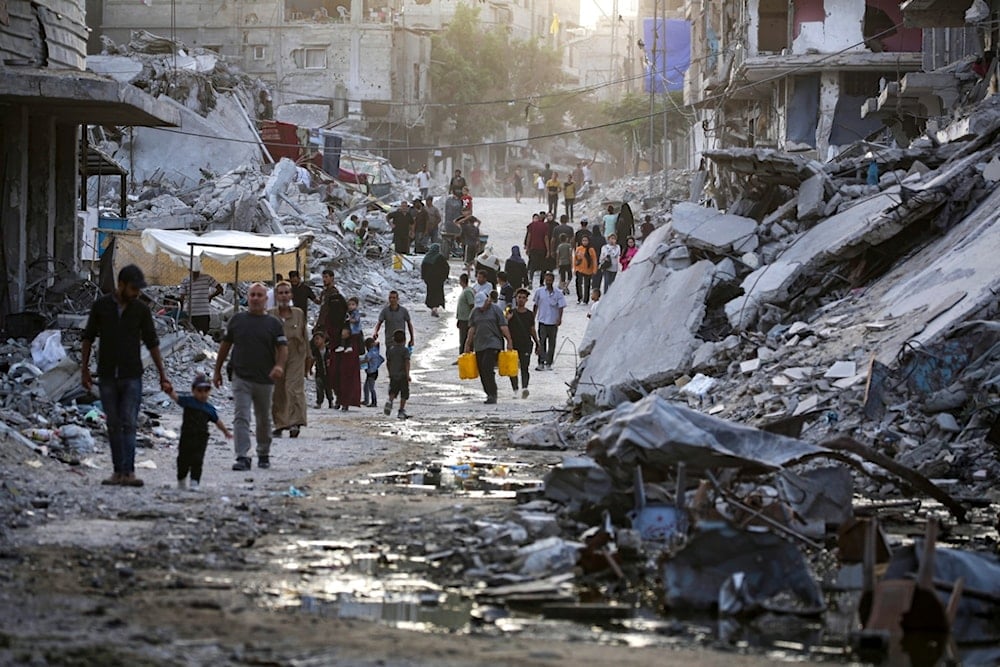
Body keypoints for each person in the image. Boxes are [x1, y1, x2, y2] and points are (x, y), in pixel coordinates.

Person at [81, 264, 173, 487]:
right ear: (120, 285)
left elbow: (152, 342)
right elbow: (88, 337)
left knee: (129, 423)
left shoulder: (140, 310)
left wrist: (163, 375)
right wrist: (84, 369)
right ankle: (117, 472)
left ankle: (129, 472)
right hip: (106, 375)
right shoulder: (101, 307)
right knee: (113, 423)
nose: (137, 293)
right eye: (133, 288)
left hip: (132, 375)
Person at [213, 282, 288, 472]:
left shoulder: (274, 323)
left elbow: (283, 348)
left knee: (263, 418)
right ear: (248, 297)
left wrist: (279, 366)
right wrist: (217, 370)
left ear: (265, 299)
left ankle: (263, 452)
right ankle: (242, 456)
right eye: (252, 295)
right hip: (241, 377)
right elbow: (225, 346)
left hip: (265, 378)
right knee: (241, 416)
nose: (255, 298)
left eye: (259, 295)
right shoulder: (237, 320)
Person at [169, 373, 231, 490]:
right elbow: (176, 398)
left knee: (198, 459)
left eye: (206, 391)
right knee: (183, 459)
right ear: (193, 391)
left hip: (201, 438)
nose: (203, 394)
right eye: (199, 391)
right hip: (187, 436)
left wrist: (226, 432)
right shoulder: (188, 402)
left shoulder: (209, 408)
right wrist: (169, 390)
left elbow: (217, 421)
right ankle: (181, 479)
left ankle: (195, 481)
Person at [269, 281, 308, 437]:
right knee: (278, 390)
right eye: (281, 293)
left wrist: (309, 358)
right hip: (276, 354)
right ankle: (280, 423)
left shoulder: (298, 313)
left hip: (296, 353)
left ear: (291, 295)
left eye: (287, 292)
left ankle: (295, 423)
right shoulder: (271, 315)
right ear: (276, 296)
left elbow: (304, 336)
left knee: (293, 387)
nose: (284, 296)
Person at [465, 291, 514, 405]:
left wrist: (509, 341)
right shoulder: (475, 312)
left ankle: (493, 394)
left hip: (494, 343)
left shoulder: (495, 310)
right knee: (482, 369)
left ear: (488, 300)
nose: (481, 308)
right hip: (479, 345)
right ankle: (488, 393)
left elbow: (503, 326)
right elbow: (472, 329)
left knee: (487, 366)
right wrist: (467, 344)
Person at [506, 288, 539, 399]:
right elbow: (503, 327)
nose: (521, 300)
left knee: (525, 367)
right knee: (513, 368)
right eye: (519, 297)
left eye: (523, 298)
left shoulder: (529, 314)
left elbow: (532, 329)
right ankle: (515, 390)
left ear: (526, 300)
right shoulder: (510, 312)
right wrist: (508, 319)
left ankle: (524, 388)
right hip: (513, 345)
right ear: (516, 298)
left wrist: (537, 343)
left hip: (526, 344)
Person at [532, 271, 566, 371]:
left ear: (553, 281)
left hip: (553, 322)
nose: (548, 282)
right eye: (547, 280)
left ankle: (549, 362)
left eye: (550, 280)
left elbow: (561, 307)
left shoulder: (558, 293)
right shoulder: (539, 291)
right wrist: (533, 318)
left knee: (552, 343)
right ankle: (541, 362)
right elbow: (536, 305)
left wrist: (559, 318)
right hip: (542, 321)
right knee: (541, 342)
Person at [179, 264, 223, 335]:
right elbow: (220, 289)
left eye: (196, 271)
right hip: (195, 313)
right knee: (199, 336)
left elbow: (181, 298)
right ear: (190, 270)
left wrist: (210, 296)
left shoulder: (186, 280)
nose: (195, 273)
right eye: (194, 271)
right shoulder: (206, 278)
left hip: (197, 313)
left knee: (195, 335)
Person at [383, 329, 412, 419]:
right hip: (403, 375)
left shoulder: (390, 350)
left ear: (394, 340)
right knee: (404, 393)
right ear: (404, 340)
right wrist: (408, 375)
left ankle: (390, 401)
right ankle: (401, 410)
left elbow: (388, 362)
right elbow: (407, 363)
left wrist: (390, 372)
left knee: (393, 391)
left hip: (393, 375)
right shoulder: (405, 351)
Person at [421, 243, 450, 317]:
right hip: (438, 280)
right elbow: (446, 267)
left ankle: (432, 308)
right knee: (437, 294)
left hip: (429, 280)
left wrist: (424, 278)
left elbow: (423, 268)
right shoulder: (440, 257)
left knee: (431, 294)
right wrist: (445, 277)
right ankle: (435, 309)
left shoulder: (427, 257)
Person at [307, 330, 333, 409]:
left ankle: (330, 401)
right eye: (315, 339)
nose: (316, 341)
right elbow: (312, 360)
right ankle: (319, 402)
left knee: (328, 387)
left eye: (318, 339)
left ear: (323, 339)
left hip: (328, 372)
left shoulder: (328, 350)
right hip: (319, 372)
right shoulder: (315, 351)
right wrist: (310, 369)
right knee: (319, 388)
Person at [524, 212, 550, 286]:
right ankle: (541, 282)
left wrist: (527, 247)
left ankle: (531, 280)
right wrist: (548, 250)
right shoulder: (545, 226)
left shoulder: (532, 225)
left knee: (532, 265)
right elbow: (546, 238)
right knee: (543, 266)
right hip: (542, 248)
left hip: (533, 248)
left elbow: (529, 236)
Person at [455, 273, 475, 357]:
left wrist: (472, 319)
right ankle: (463, 356)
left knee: (465, 339)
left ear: (462, 281)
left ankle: (465, 356)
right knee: (463, 339)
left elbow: (472, 305)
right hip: (462, 319)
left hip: (467, 320)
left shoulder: (468, 291)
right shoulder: (465, 291)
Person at [574, 235, 598, 304]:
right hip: (579, 269)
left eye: (586, 240)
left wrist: (594, 269)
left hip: (588, 269)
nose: (584, 242)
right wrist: (575, 268)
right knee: (578, 284)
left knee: (587, 285)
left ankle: (586, 299)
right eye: (583, 240)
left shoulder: (591, 249)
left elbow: (594, 260)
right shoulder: (578, 249)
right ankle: (579, 297)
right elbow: (575, 259)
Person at [361, 336, 384, 407]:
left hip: (371, 372)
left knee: (371, 388)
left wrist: (358, 362)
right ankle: (366, 400)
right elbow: (377, 344)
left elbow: (366, 360)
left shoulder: (370, 353)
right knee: (366, 387)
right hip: (374, 371)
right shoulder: (376, 350)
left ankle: (374, 402)